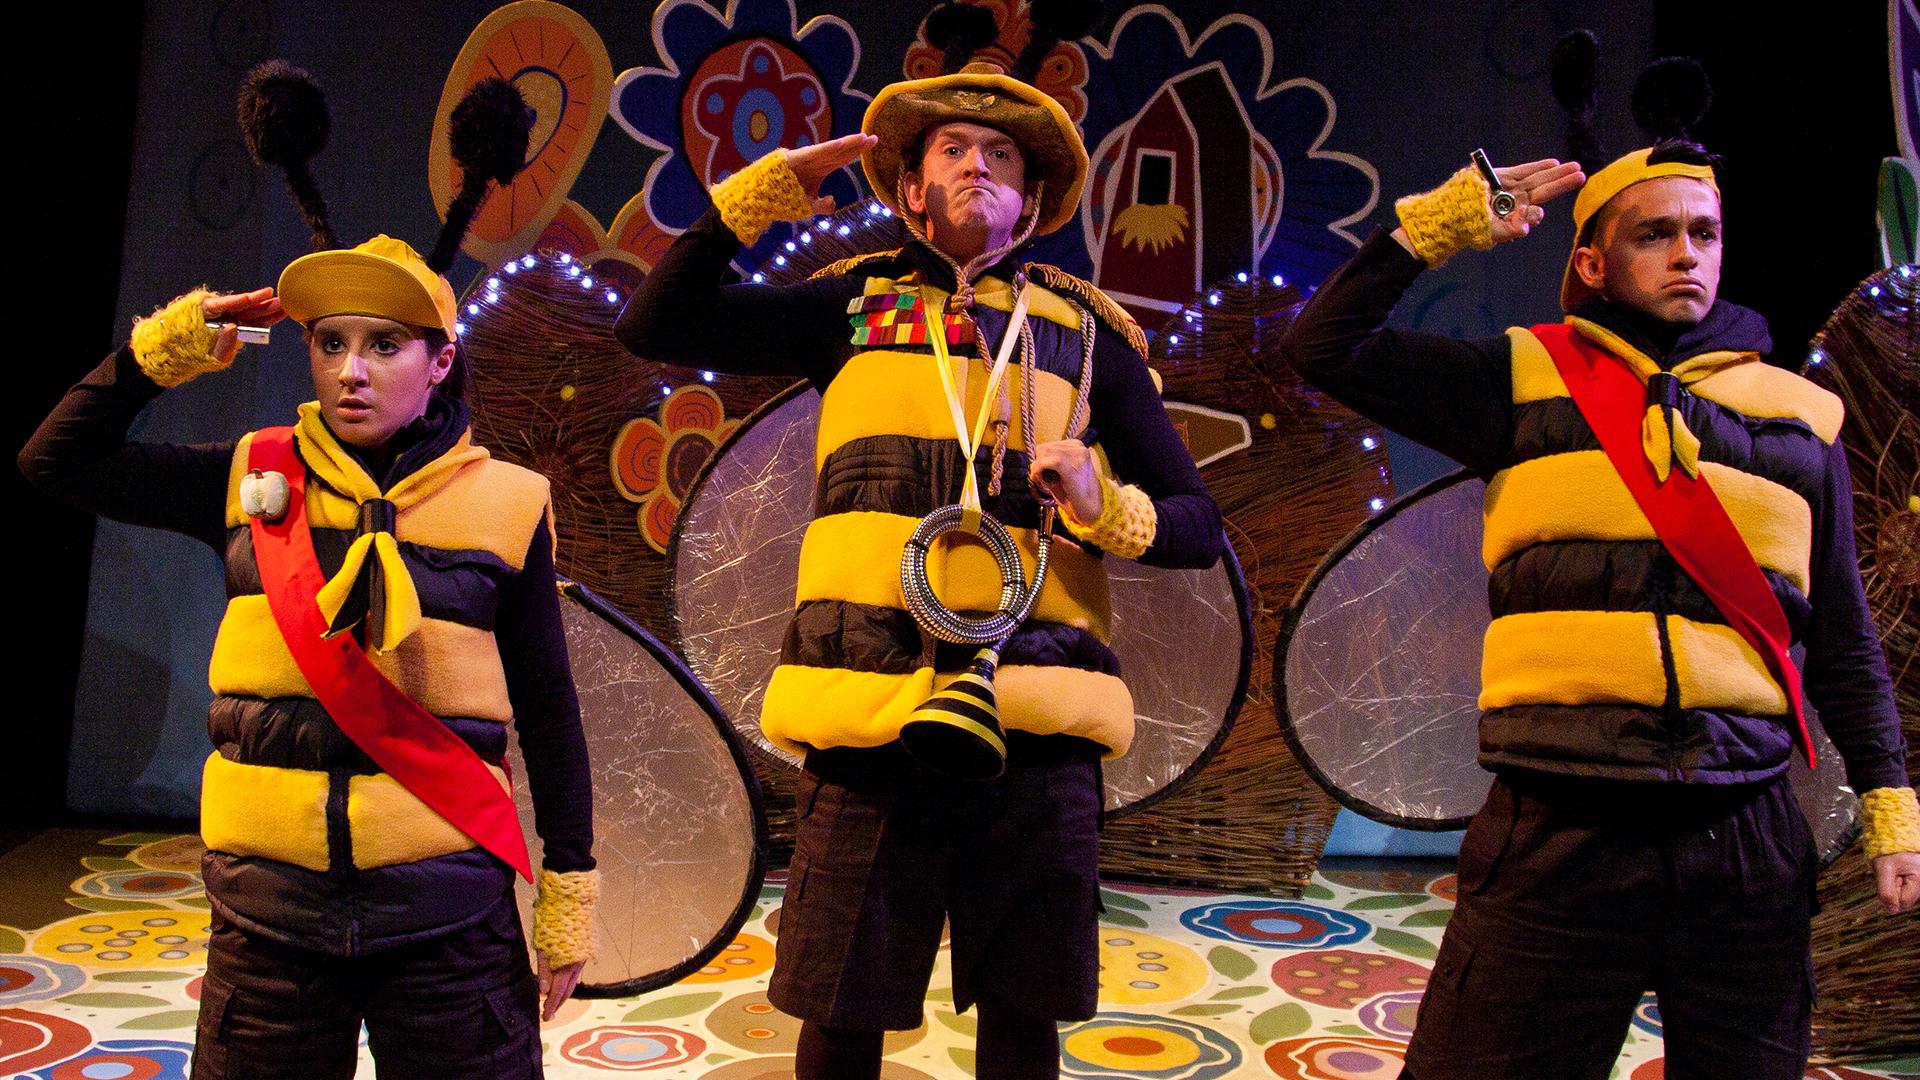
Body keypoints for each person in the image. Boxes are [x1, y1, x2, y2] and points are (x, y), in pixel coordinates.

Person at [618, 63, 1222, 1080]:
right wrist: (759, 196)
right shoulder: (853, 305)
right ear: (909, 191)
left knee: (1024, 1024)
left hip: (1036, 713)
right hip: (874, 706)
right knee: (842, 1013)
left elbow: (1199, 527)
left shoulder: (1090, 342)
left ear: (1029, 203)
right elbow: (655, 322)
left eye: (1003, 158)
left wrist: (1102, 507)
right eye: (953, 151)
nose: (979, 166)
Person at [1278, 143, 1919, 1080]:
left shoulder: (1801, 417)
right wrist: (1438, 230)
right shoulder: (1522, 376)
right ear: (1592, 262)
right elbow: (1321, 348)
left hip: (1743, 840)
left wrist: (1892, 808)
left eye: (1704, 233)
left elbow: (1846, 643)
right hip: (1559, 827)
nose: (1686, 254)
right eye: (1655, 235)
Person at [20, 231, 598, 1077]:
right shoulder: (247, 475)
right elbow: (54, 461)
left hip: (449, 914)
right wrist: (169, 346)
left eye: (384, 345)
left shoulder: (509, 504)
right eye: (331, 343)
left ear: (440, 363)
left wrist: (569, 893)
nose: (350, 371)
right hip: (271, 919)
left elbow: (549, 709)